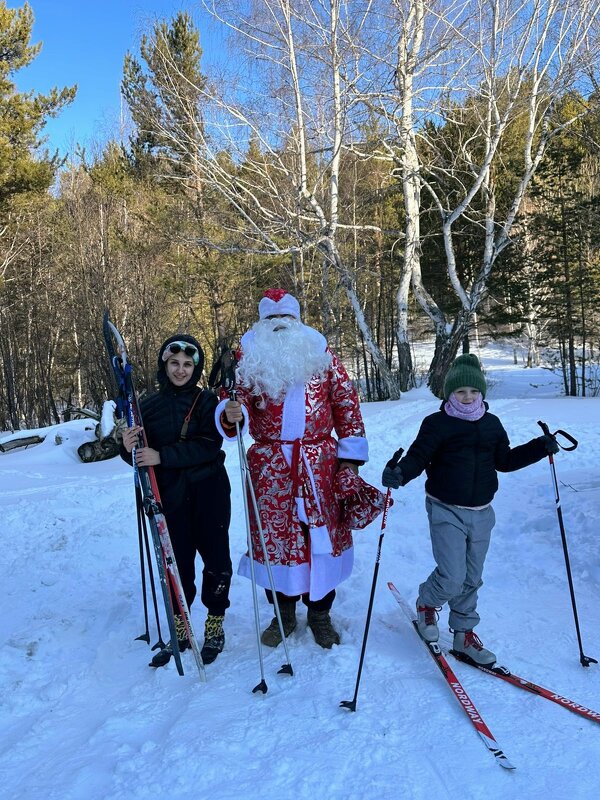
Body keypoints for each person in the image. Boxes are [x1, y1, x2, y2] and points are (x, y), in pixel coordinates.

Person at [216, 288, 370, 649]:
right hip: (270, 468)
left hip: (321, 465)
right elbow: (233, 405)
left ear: (297, 320)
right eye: (271, 319)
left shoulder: (321, 354)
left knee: (320, 540)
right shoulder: (247, 360)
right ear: (261, 322)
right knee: (277, 544)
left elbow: (347, 404)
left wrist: (349, 461)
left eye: (286, 318)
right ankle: (283, 613)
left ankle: (319, 613)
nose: (279, 326)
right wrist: (229, 413)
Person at [381, 353, 559, 666]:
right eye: (461, 391)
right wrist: (400, 473)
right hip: (445, 508)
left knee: (472, 578)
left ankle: (464, 635)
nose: (468, 397)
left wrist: (539, 447)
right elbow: (418, 457)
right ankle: (426, 604)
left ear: (482, 394)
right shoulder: (437, 424)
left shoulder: (491, 424)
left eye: (474, 391)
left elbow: (504, 461)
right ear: (450, 393)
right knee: (452, 576)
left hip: (482, 511)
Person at [121, 334, 233, 667]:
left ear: (194, 368)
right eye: (174, 364)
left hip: (209, 491)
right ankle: (181, 626)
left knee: (216, 560)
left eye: (187, 364)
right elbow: (142, 459)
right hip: (168, 498)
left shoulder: (208, 402)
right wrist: (127, 448)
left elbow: (210, 445)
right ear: (164, 365)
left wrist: (163, 456)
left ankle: (214, 623)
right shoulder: (147, 406)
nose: (180, 370)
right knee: (176, 563)